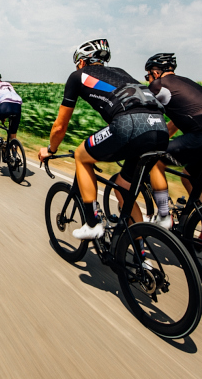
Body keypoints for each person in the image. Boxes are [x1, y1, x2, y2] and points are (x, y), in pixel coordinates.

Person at [37, 39, 169, 240]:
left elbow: (60, 126)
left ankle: (92, 223)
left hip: (129, 126)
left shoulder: (77, 76)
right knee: (124, 188)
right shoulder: (121, 72)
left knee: (82, 156)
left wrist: (51, 150)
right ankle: (141, 256)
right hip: (159, 128)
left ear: (82, 62)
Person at [144, 53, 202, 239]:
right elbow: (176, 123)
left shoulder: (158, 86)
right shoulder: (185, 83)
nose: (147, 79)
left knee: (155, 162)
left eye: (147, 75)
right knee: (189, 177)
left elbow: (149, 118)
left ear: (156, 72)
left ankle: (164, 216)